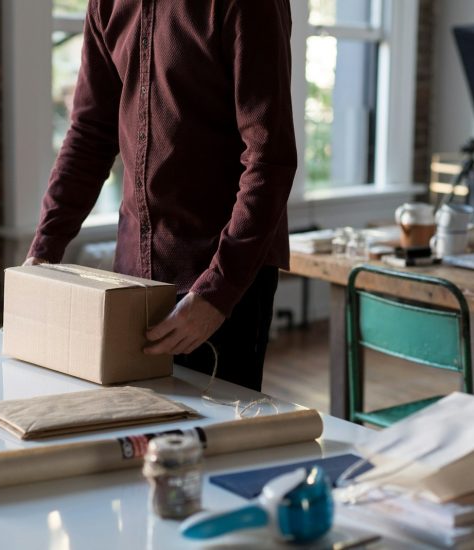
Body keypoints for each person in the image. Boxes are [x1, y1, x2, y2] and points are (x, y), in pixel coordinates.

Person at [25, 0, 297, 391]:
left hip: (221, 278)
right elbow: (89, 135)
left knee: (213, 445)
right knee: (134, 438)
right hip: (131, 280)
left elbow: (269, 159)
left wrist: (217, 293)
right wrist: (43, 253)